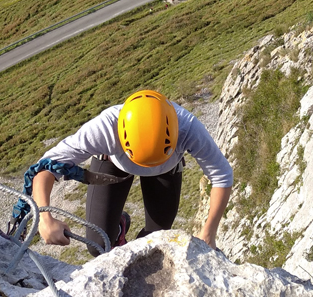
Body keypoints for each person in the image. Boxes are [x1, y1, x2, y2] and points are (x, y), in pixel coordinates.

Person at [33, 90, 233, 252]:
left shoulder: (188, 128)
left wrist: (209, 231)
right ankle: (119, 225)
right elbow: (46, 166)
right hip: (113, 163)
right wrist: (45, 218)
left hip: (166, 170)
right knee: (98, 246)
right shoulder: (104, 128)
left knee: (155, 242)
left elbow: (222, 176)